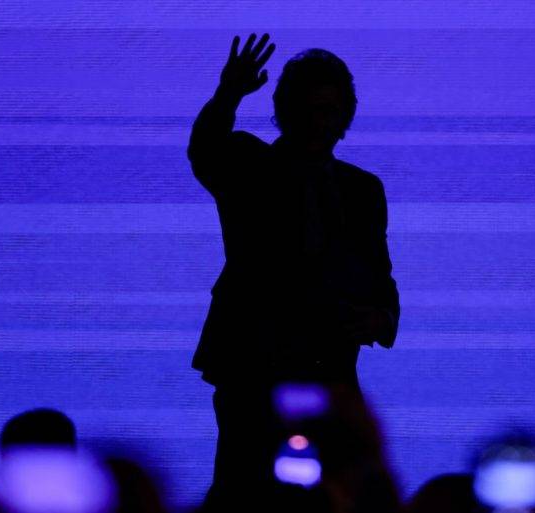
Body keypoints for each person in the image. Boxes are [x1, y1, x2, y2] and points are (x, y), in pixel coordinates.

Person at [187, 33, 400, 511]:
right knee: (243, 492)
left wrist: (382, 318)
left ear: (345, 117)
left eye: (329, 110)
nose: (318, 121)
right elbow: (205, 150)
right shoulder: (248, 164)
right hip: (252, 370)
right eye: (307, 109)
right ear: (284, 111)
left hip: (331, 372)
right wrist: (228, 94)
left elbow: (379, 274)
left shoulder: (363, 190)